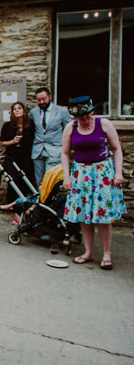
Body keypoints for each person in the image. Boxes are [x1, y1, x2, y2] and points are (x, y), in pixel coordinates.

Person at [61, 96, 126, 270]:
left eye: (87, 115)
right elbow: (65, 153)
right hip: (81, 174)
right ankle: (88, 252)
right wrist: (67, 177)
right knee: (84, 215)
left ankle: (106, 253)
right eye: (81, 117)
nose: (85, 119)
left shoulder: (104, 124)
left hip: (102, 173)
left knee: (103, 215)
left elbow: (117, 149)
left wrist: (118, 172)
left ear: (92, 112)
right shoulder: (70, 128)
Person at [0, 101, 35, 225]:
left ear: (24, 111)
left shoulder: (30, 125)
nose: (17, 110)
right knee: (12, 182)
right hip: (11, 157)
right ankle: (13, 212)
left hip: (26, 157)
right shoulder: (8, 126)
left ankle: (21, 211)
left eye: (19, 108)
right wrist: (12, 142)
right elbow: (2, 142)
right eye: (15, 109)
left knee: (24, 184)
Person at [30, 87, 70, 186]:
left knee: (49, 182)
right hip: (37, 151)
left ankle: (48, 202)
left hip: (54, 150)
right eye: (39, 100)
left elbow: (68, 130)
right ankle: (40, 200)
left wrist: (64, 148)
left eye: (44, 99)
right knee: (39, 182)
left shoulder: (62, 111)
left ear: (50, 97)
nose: (41, 102)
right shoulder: (33, 112)